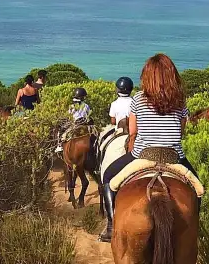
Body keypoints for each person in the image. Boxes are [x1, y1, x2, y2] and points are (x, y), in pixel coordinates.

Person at [98, 54, 198, 243]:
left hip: (142, 155)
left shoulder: (138, 99)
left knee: (108, 177)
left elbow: (133, 131)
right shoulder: (180, 100)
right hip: (174, 157)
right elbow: (181, 130)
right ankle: (194, 229)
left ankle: (112, 226)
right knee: (198, 190)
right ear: (172, 75)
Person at [56, 87, 92, 153]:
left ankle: (59, 145)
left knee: (60, 132)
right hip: (84, 124)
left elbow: (69, 117)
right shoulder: (86, 106)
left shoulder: (71, 106)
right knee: (94, 134)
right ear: (81, 97)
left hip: (75, 124)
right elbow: (88, 116)